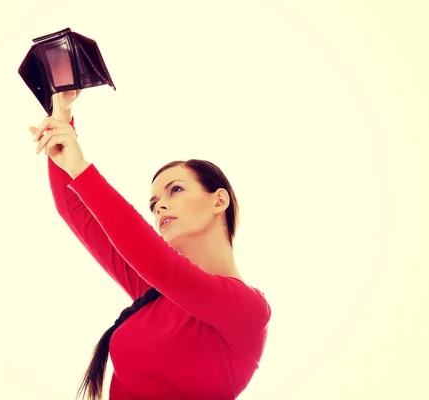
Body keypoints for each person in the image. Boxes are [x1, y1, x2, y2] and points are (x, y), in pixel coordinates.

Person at [28, 91, 271, 400]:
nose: (160, 208)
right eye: (154, 203)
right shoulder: (154, 295)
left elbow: (160, 263)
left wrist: (81, 167)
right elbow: (75, 211)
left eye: (176, 190)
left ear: (218, 200)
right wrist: (62, 119)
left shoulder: (248, 310)